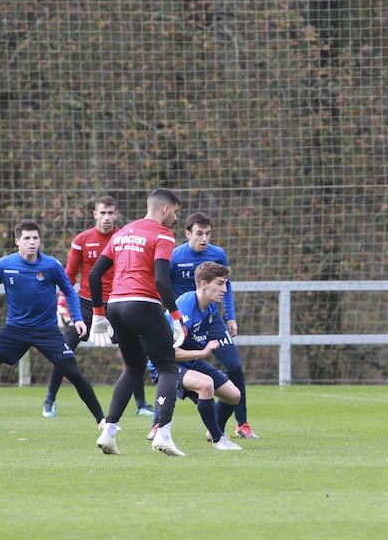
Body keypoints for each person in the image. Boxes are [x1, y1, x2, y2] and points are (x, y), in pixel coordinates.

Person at [0, 219, 106, 432]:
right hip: (15, 329)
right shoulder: (4, 265)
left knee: (73, 372)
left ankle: (102, 421)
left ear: (40, 240)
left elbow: (69, 290)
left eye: (35, 238)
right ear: (17, 242)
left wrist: (77, 318)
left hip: (47, 331)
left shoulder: (51, 265)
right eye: (27, 238)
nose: (32, 242)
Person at [88, 188, 188, 456]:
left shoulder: (122, 233)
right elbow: (160, 280)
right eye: (176, 212)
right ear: (166, 209)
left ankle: (109, 432)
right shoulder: (162, 234)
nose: (176, 219)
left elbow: (95, 275)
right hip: (142, 303)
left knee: (133, 368)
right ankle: (163, 434)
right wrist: (176, 316)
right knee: (168, 367)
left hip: (116, 306)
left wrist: (98, 312)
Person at [43, 196, 153, 418]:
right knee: (64, 350)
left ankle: (141, 404)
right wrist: (63, 304)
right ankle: (49, 401)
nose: (106, 217)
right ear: (94, 214)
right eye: (102, 213)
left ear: (116, 214)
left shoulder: (125, 238)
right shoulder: (82, 240)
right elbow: (68, 276)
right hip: (84, 305)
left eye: (111, 213)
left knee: (134, 353)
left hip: (116, 304)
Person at [170, 212, 258, 439]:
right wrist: (169, 315)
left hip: (212, 319)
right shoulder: (175, 256)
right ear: (188, 233)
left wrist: (231, 316)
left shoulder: (218, 254)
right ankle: (159, 422)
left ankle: (241, 423)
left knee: (235, 367)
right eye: (199, 233)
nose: (204, 238)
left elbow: (226, 286)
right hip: (185, 320)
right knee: (169, 363)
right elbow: (162, 285)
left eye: (208, 233)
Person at [147, 262, 243, 451]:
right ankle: (218, 439)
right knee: (206, 385)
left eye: (226, 284)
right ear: (203, 283)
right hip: (166, 364)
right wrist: (203, 352)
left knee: (234, 395)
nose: (224, 289)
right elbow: (169, 352)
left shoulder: (209, 308)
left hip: (190, 362)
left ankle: (213, 429)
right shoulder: (186, 306)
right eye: (220, 283)